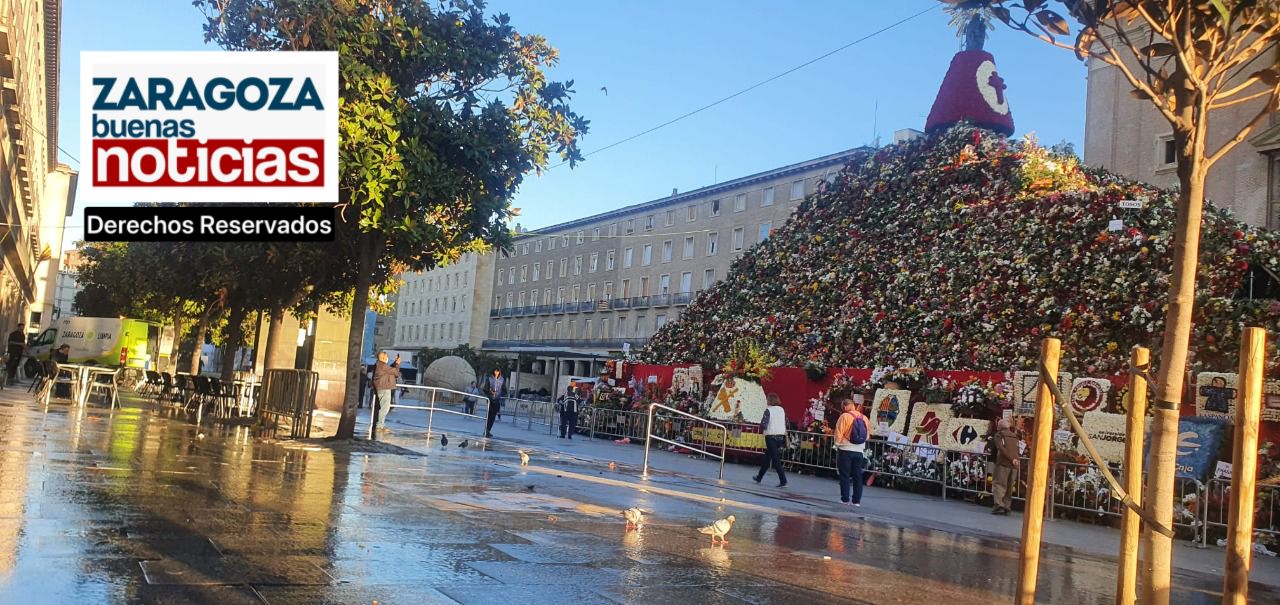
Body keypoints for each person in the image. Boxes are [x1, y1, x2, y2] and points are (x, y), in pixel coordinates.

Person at [834, 398, 869, 507]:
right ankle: (856, 501)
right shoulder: (864, 418)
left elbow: (839, 432)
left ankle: (845, 499)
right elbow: (867, 436)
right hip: (859, 451)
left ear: (845, 406)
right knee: (857, 476)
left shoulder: (844, 416)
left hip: (845, 449)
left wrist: (836, 445)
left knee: (844, 475)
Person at [753, 393, 788, 487]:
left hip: (771, 436)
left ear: (769, 400)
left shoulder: (768, 410)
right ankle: (759, 477)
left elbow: (764, 424)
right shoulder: (782, 410)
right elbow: (786, 422)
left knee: (775, 459)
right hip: (780, 436)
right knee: (767, 457)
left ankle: (783, 480)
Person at [991, 418, 1021, 515]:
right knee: (1009, 486)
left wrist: (1010, 458)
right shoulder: (1014, 436)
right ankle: (1007, 506)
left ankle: (999, 505)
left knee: (999, 484)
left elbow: (1001, 448)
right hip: (1015, 465)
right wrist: (1015, 460)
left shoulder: (999, 435)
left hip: (1004, 463)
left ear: (999, 426)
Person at [372, 351, 400, 434]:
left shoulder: (380, 365)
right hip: (384, 388)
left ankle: (381, 424)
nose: (387, 358)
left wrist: (395, 363)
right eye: (386, 356)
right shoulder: (383, 366)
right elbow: (396, 373)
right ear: (383, 358)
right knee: (385, 408)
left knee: (384, 407)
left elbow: (390, 369)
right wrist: (398, 364)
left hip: (383, 388)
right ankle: (380, 425)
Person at [483, 368, 505, 438]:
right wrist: (490, 391)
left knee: (493, 416)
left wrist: (500, 395)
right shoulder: (489, 379)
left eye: (497, 371)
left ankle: (488, 430)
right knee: (489, 415)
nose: (496, 372)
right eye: (495, 371)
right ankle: (486, 430)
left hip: (497, 400)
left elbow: (504, 390)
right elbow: (485, 389)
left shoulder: (502, 380)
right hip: (490, 399)